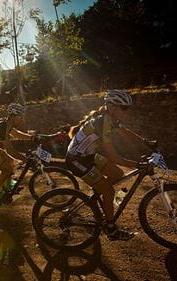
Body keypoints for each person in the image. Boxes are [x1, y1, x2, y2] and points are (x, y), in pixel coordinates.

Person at [64, 89, 152, 241]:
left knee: (118, 174)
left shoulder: (110, 119)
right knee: (109, 191)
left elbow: (125, 132)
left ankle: (99, 193)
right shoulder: (102, 123)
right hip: (76, 160)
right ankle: (110, 228)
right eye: (123, 108)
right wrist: (137, 164)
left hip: (89, 156)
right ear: (111, 107)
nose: (126, 112)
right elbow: (113, 156)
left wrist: (146, 142)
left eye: (127, 108)